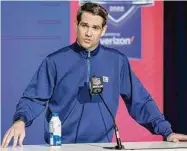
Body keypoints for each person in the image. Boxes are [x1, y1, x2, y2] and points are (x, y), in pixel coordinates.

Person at [2, 2, 187, 148]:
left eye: (95, 28)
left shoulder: (117, 61)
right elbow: (33, 98)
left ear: (104, 30)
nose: (89, 33)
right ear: (76, 25)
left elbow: (140, 101)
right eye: (84, 25)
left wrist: (166, 131)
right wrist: (20, 120)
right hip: (60, 146)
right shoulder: (55, 61)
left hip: (101, 146)